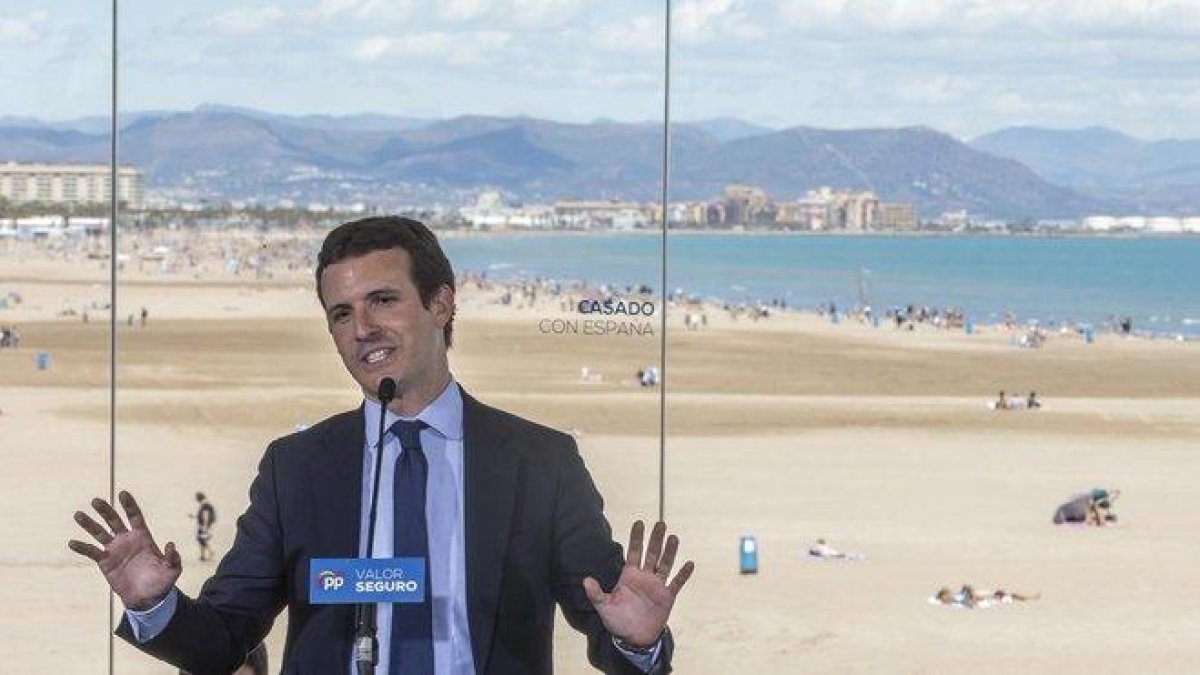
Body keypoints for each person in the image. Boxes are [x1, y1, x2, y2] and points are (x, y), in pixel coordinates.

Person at [70, 217, 693, 675]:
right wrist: (156, 605)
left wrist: (639, 645)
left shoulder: (541, 463)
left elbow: (607, 621)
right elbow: (224, 640)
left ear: (442, 302)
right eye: (341, 314)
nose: (362, 329)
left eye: (383, 301)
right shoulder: (297, 469)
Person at [189, 492, 216, 562]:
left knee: (202, 539)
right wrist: (194, 516)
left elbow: (205, 516)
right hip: (205, 526)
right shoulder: (206, 505)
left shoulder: (205, 506)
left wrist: (205, 527)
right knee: (202, 540)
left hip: (204, 526)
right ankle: (203, 556)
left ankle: (210, 552)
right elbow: (204, 516)